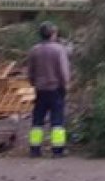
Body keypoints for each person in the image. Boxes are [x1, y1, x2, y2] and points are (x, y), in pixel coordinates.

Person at [26, 21, 71, 158]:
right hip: (56, 89)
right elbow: (63, 70)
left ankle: (35, 149)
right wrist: (66, 84)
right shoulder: (59, 50)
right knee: (57, 120)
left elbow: (30, 71)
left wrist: (33, 83)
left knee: (37, 120)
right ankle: (57, 150)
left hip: (40, 89)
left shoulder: (34, 50)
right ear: (52, 34)